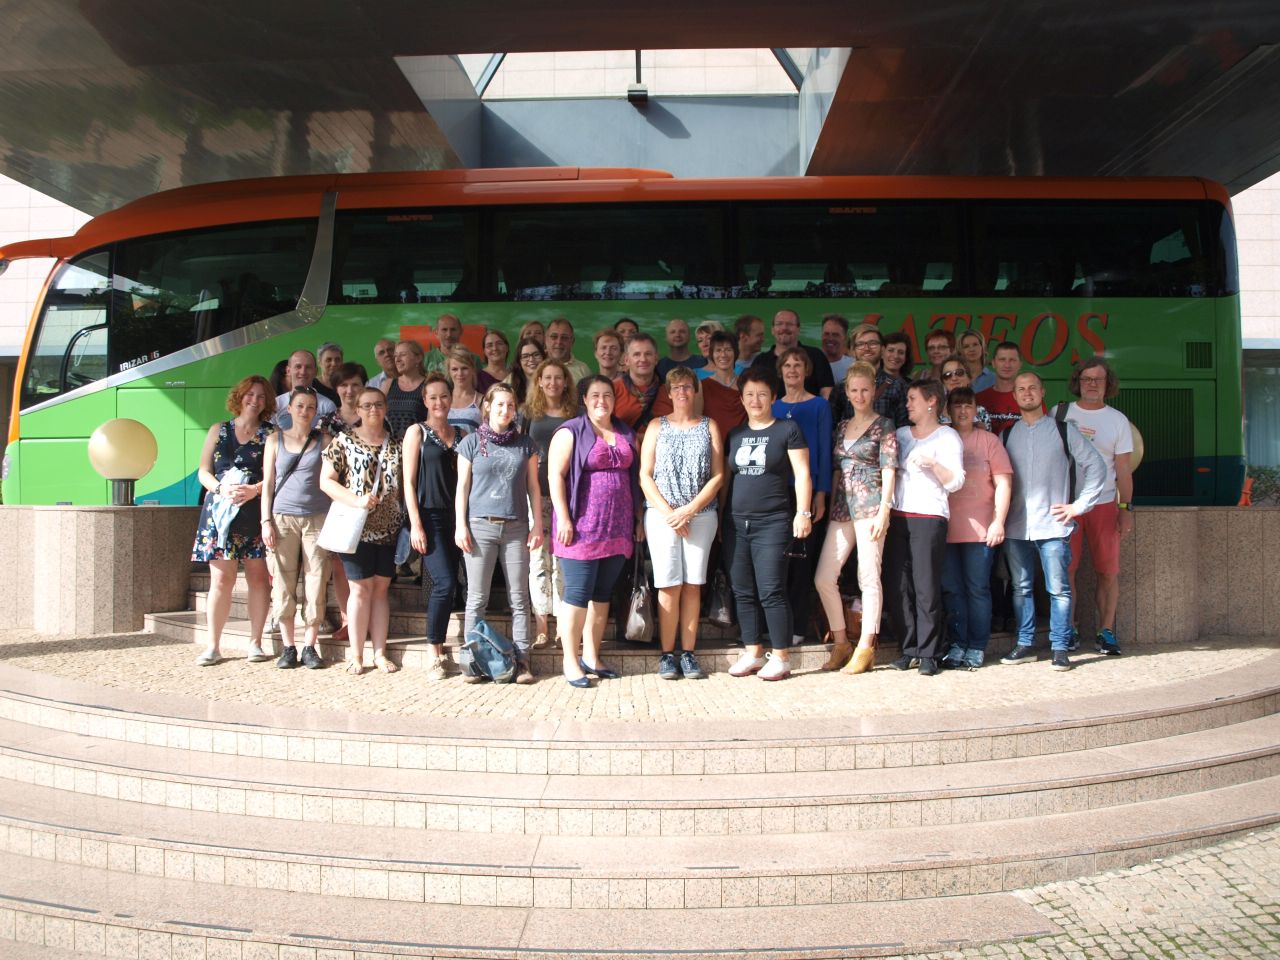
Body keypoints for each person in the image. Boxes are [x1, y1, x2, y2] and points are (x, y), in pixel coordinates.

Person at [999, 372, 1106, 671]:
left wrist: (1079, 506)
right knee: (1021, 588)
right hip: (1016, 526)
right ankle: (1025, 644)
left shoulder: (1063, 431)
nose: (1027, 393)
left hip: (1053, 526)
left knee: (1058, 590)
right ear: (1014, 395)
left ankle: (1060, 647)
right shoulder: (1007, 435)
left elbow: (1096, 465)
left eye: (1032, 387)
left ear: (1042, 392)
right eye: (1021, 389)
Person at [547, 376, 642, 687]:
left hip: (617, 528)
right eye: (595, 395)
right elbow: (555, 476)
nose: (602, 401)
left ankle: (591, 655)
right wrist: (563, 518)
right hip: (581, 529)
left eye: (608, 395)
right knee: (577, 594)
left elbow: (635, 478)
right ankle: (570, 660)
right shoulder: (570, 431)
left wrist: (638, 519)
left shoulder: (625, 432)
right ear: (584, 400)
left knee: (602, 595)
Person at [723, 367, 814, 681]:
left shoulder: (787, 429)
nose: (756, 400)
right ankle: (753, 652)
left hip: (773, 521)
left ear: (774, 397)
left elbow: (802, 474)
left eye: (762, 394)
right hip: (736, 523)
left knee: (772, 589)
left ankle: (781, 656)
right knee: (742, 590)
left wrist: (803, 513)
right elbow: (727, 480)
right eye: (749, 394)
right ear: (742, 398)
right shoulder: (735, 434)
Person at [639, 367, 724, 680]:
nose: (682, 392)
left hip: (700, 516)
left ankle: (688, 653)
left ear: (695, 390)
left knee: (692, 585)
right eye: (676, 387)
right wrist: (670, 514)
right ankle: (667, 654)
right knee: (668, 584)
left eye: (688, 386)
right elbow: (645, 475)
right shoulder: (656, 426)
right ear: (668, 392)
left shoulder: (709, 425)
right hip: (661, 517)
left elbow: (718, 475)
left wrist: (688, 511)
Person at [455, 383, 543, 685]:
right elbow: (462, 487)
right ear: (488, 407)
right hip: (480, 526)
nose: (506, 410)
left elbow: (534, 487)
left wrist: (538, 524)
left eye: (511, 405)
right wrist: (460, 524)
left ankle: (522, 661)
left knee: (519, 598)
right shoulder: (470, 442)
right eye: (500, 404)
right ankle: (472, 662)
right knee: (476, 598)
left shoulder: (525, 444)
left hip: (516, 527)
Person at [814, 362, 898, 675]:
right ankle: (841, 642)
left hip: (871, 504)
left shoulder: (884, 424)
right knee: (824, 577)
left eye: (865, 389)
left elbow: (889, 468)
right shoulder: (841, 425)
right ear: (847, 392)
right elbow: (837, 469)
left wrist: (885, 510)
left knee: (868, 577)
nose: (860, 395)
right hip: (842, 507)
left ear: (874, 391)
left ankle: (866, 645)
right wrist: (827, 505)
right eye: (854, 390)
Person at [191, 376, 277, 666]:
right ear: (239, 396)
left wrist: (254, 489)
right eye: (250, 394)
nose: (255, 400)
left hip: (254, 512)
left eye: (261, 396)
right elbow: (203, 471)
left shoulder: (271, 434)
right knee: (221, 579)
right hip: (219, 513)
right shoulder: (219, 429)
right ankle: (213, 646)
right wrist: (219, 488)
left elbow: (276, 475)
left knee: (257, 577)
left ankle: (255, 642)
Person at [320, 387, 404, 675]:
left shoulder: (396, 444)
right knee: (359, 589)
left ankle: (380, 652)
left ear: (386, 408)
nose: (373, 410)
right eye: (366, 405)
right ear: (357, 410)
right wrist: (355, 500)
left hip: (389, 529)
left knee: (380, 590)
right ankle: (356, 655)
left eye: (378, 404)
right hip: (356, 529)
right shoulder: (344, 441)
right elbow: (326, 481)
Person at [884, 379, 966, 676]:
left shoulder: (947, 437)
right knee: (898, 584)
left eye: (913, 399)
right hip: (898, 514)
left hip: (929, 516)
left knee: (926, 585)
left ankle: (930, 652)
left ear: (931, 401)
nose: (907, 405)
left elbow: (956, 482)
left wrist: (933, 464)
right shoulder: (901, 434)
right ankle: (908, 648)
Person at [1062, 358, 1134, 656]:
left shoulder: (1117, 421)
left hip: (1104, 504)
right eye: (1086, 379)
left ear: (1108, 384)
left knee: (1108, 571)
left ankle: (1106, 631)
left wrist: (1125, 508)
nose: (1092, 384)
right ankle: (1069, 629)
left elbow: (1123, 469)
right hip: (1067, 505)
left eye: (1098, 379)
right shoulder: (1060, 414)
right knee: (1066, 570)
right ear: (1077, 382)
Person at [939, 387, 1011, 671]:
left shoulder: (989, 441)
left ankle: (977, 646)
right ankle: (958, 644)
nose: (962, 411)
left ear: (976, 409)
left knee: (977, 589)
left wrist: (998, 521)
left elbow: (1004, 483)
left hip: (981, 530)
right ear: (948, 410)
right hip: (945, 529)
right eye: (956, 406)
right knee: (951, 590)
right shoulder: (942, 438)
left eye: (967, 405)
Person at [260, 386, 330, 670]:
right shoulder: (274, 440)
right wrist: (265, 521)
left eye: (310, 407)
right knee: (282, 579)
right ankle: (288, 647)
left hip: (317, 516)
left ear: (316, 411)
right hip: (282, 516)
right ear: (289, 408)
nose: (305, 411)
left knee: (317, 579)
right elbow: (268, 484)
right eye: (300, 405)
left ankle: (310, 646)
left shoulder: (324, 440)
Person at [403, 372, 467, 682]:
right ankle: (435, 653)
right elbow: (408, 482)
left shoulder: (463, 434)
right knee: (444, 583)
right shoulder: (417, 432)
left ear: (451, 399)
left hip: (460, 517)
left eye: (444, 396)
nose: (439, 402)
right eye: (433, 397)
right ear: (425, 401)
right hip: (430, 517)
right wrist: (416, 524)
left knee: (462, 584)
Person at [773, 347, 832, 645]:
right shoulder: (773, 406)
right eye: (787, 365)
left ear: (806, 371)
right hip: (775, 493)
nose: (792, 370)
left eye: (798, 365)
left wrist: (820, 495)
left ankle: (797, 626)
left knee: (801, 560)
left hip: (806, 491)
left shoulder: (819, 405)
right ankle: (776, 625)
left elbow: (824, 451)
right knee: (777, 560)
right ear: (780, 371)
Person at [524, 359, 578, 649]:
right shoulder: (528, 413)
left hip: (567, 497)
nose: (553, 382)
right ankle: (542, 627)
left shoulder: (576, 413)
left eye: (559, 377)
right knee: (537, 560)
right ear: (540, 382)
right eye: (548, 377)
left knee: (562, 560)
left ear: (566, 381)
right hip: (535, 494)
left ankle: (562, 626)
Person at [831, 325, 909, 430]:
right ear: (853, 351)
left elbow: (905, 431)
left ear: (883, 349)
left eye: (872, 343)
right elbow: (832, 430)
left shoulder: (898, 386)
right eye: (860, 344)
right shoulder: (841, 388)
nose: (867, 348)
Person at [748, 309, 835, 399]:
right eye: (779, 324)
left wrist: (822, 407)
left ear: (798, 329)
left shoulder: (816, 356)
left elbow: (826, 391)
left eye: (789, 324)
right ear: (772, 330)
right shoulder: (760, 362)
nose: (784, 328)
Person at [612, 333, 677, 441]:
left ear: (656, 358)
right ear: (626, 360)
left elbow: (682, 427)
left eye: (648, 354)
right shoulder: (612, 390)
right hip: (625, 450)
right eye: (637, 354)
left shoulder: (673, 390)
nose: (643, 359)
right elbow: (604, 430)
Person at [701, 331, 747, 439]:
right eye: (718, 350)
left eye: (728, 350)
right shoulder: (702, 386)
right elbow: (697, 423)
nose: (723, 355)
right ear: (712, 354)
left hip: (742, 443)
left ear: (735, 353)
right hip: (713, 444)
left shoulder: (746, 385)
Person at [977, 341, 1028, 436]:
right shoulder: (978, 399)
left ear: (1020, 364)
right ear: (993, 363)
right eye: (1002, 360)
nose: (1007, 365)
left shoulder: (1030, 399)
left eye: (1012, 360)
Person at [275, 350, 336, 428]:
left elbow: (334, 434)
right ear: (288, 370)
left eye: (308, 367)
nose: (303, 372)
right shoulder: (276, 404)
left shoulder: (327, 406)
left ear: (315, 371)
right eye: (298, 366)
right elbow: (267, 435)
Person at [385, 340, 428, 439]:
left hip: (418, 443)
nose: (397, 359)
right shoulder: (388, 384)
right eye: (395, 356)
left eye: (403, 355)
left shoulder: (428, 385)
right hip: (391, 445)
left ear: (418, 358)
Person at [939, 356, 992, 430]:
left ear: (969, 378)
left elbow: (988, 437)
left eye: (959, 373)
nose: (954, 378)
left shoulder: (980, 412)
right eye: (947, 375)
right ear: (943, 382)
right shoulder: (935, 412)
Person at [446, 346, 483, 433]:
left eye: (464, 368)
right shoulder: (441, 399)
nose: (460, 373)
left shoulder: (482, 401)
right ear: (449, 372)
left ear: (473, 370)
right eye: (455, 369)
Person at [546, 317, 591, 382]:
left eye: (564, 337)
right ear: (546, 339)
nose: (559, 342)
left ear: (572, 341)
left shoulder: (583, 370)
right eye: (554, 337)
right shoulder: (536, 366)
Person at [584, 328, 623, 396]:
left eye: (613, 348)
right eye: (603, 347)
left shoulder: (631, 383)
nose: (608, 352)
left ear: (621, 354)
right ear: (596, 353)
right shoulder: (585, 384)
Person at [510, 336, 546, 407]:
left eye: (536, 355)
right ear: (519, 361)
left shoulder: (551, 384)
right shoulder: (510, 387)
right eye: (525, 356)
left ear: (543, 357)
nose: (531, 359)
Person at [476, 328, 511, 393]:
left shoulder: (516, 377)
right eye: (489, 345)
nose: (495, 348)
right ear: (484, 351)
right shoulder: (477, 378)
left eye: (499, 343)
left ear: (507, 348)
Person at [821, 314, 852, 384]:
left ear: (845, 338)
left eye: (835, 335)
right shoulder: (810, 363)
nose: (830, 338)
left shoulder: (853, 366)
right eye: (826, 334)